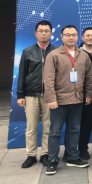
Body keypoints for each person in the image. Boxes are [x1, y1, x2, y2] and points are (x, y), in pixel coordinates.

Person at [44, 25, 92, 175]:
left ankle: (73, 157)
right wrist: (51, 98)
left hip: (77, 100)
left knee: (73, 130)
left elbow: (89, 77)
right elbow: (48, 79)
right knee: (55, 132)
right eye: (67, 35)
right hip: (59, 101)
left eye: (74, 35)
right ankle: (52, 160)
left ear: (78, 37)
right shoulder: (54, 55)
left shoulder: (84, 55)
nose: (71, 37)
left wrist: (89, 94)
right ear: (62, 37)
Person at [17, 20, 57, 168]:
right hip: (31, 95)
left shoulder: (56, 51)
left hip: (49, 96)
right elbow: (22, 74)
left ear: (51, 33)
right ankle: (31, 155)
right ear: (36, 33)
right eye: (41, 31)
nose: (44, 33)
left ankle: (45, 154)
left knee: (48, 127)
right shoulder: (27, 51)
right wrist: (20, 95)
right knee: (31, 128)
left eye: (47, 31)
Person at [61, 27, 92, 162]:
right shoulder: (75, 53)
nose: (90, 38)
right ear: (83, 37)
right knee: (71, 124)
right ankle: (68, 150)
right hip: (73, 93)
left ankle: (83, 148)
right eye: (88, 35)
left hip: (91, 95)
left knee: (87, 123)